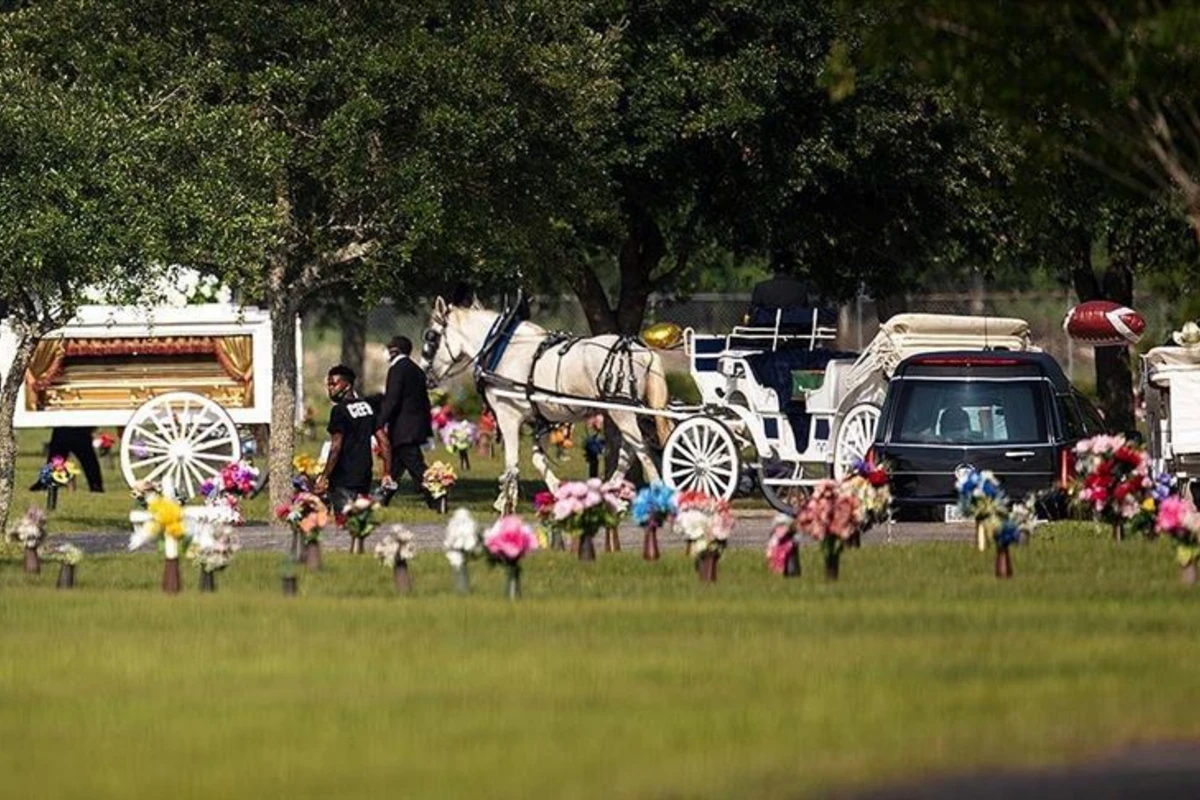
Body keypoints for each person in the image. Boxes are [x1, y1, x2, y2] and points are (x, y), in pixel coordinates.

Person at [314, 365, 386, 515]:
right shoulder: (367, 406)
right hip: (364, 474)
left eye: (334, 384)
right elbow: (384, 441)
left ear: (347, 385)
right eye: (328, 384)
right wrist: (387, 472)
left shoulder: (339, 410)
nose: (330, 388)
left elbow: (336, 447)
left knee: (344, 521)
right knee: (360, 521)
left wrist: (324, 476)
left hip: (343, 477)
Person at [377, 335, 434, 505]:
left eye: (389, 349)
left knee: (416, 467)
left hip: (403, 429)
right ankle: (382, 498)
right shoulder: (416, 370)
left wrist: (379, 422)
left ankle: (437, 495)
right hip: (414, 427)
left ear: (395, 351)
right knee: (395, 467)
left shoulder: (397, 369)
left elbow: (392, 400)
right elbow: (425, 402)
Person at [46, 427, 104, 492]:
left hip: (73, 430)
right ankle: (96, 487)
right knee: (90, 464)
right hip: (71, 430)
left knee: (90, 464)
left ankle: (96, 487)